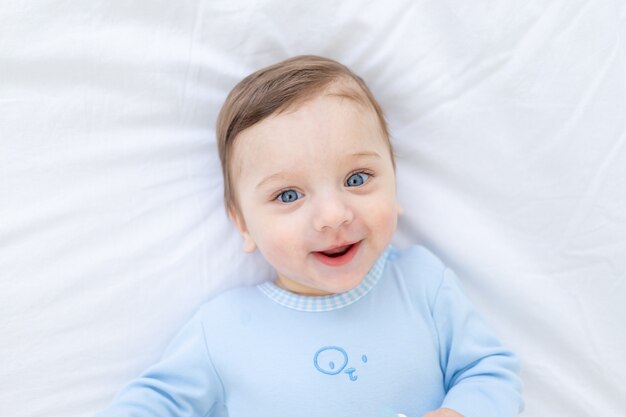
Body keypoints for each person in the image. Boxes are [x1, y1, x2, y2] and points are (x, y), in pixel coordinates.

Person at [96, 55, 523, 417]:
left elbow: (490, 370)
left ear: (395, 185)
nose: (333, 216)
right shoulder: (223, 327)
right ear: (243, 225)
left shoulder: (423, 284)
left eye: (357, 178)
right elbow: (151, 403)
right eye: (288, 194)